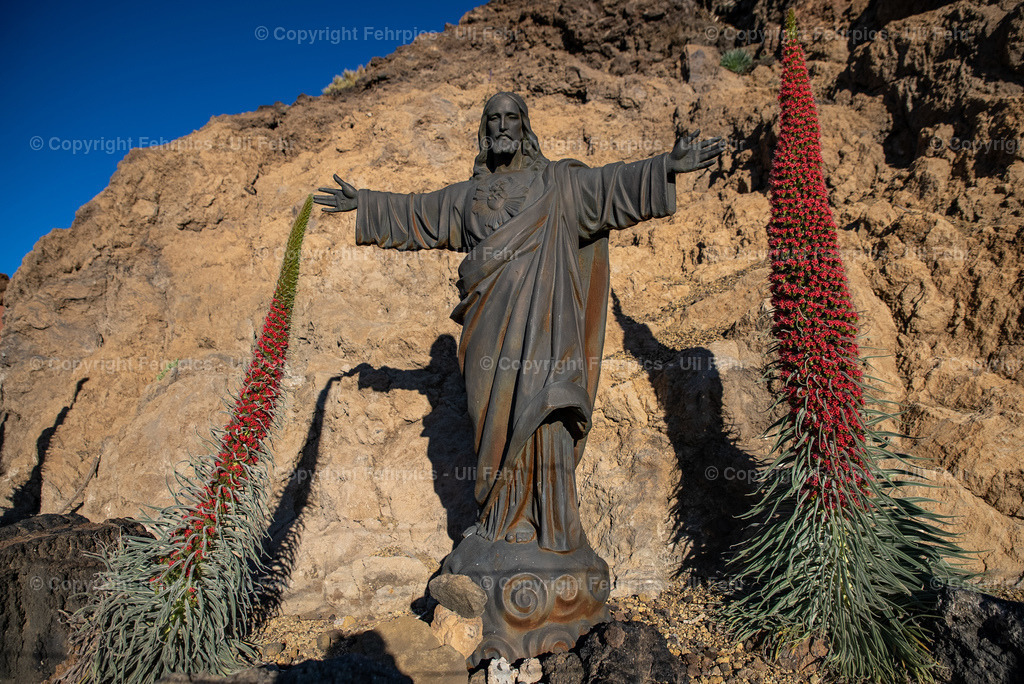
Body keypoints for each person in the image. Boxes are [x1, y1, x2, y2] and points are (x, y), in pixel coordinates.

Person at [315, 92, 724, 556]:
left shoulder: (556, 183)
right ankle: (497, 521)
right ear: (484, 131)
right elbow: (416, 213)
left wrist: (664, 167)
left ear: (525, 127)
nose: (503, 126)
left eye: (512, 118)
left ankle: (551, 527)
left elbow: (609, 186)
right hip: (487, 331)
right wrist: (365, 203)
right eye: (494, 119)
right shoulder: (465, 197)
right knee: (491, 422)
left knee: (544, 412)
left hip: (546, 329)